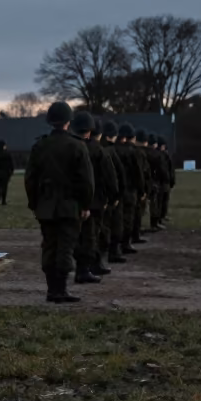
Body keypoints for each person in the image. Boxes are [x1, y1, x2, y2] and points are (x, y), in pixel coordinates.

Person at [24, 101, 94, 304]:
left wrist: (34, 203)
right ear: (68, 121)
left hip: (45, 206)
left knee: (49, 246)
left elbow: (30, 179)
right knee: (65, 247)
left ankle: (51, 289)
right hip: (70, 206)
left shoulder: (40, 146)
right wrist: (85, 205)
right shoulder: (77, 145)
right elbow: (86, 181)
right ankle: (60, 290)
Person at [70, 111, 117, 283]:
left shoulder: (71, 146)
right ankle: (86, 268)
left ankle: (84, 265)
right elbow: (108, 175)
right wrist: (113, 196)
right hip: (95, 200)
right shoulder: (97, 150)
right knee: (91, 235)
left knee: (77, 235)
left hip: (71, 199)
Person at [113, 123, 145, 254]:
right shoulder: (134, 152)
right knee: (129, 217)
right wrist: (142, 190)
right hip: (130, 189)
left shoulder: (112, 150)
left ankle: (115, 245)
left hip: (116, 189)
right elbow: (138, 172)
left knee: (116, 218)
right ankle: (126, 243)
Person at [99, 121, 128, 264]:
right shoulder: (111, 151)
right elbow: (117, 174)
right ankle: (113, 251)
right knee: (115, 223)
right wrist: (117, 194)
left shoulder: (98, 148)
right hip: (111, 193)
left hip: (97, 194)